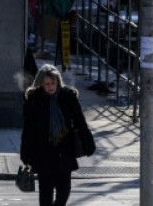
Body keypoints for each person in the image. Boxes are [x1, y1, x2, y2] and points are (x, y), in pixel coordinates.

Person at [20, 64, 92, 206]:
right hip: (43, 153)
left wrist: (88, 142)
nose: (50, 86)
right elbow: (28, 130)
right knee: (45, 192)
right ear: (40, 84)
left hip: (64, 151)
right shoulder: (34, 100)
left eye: (53, 83)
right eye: (46, 84)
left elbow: (80, 121)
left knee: (64, 192)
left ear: (58, 82)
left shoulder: (68, 97)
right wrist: (26, 153)